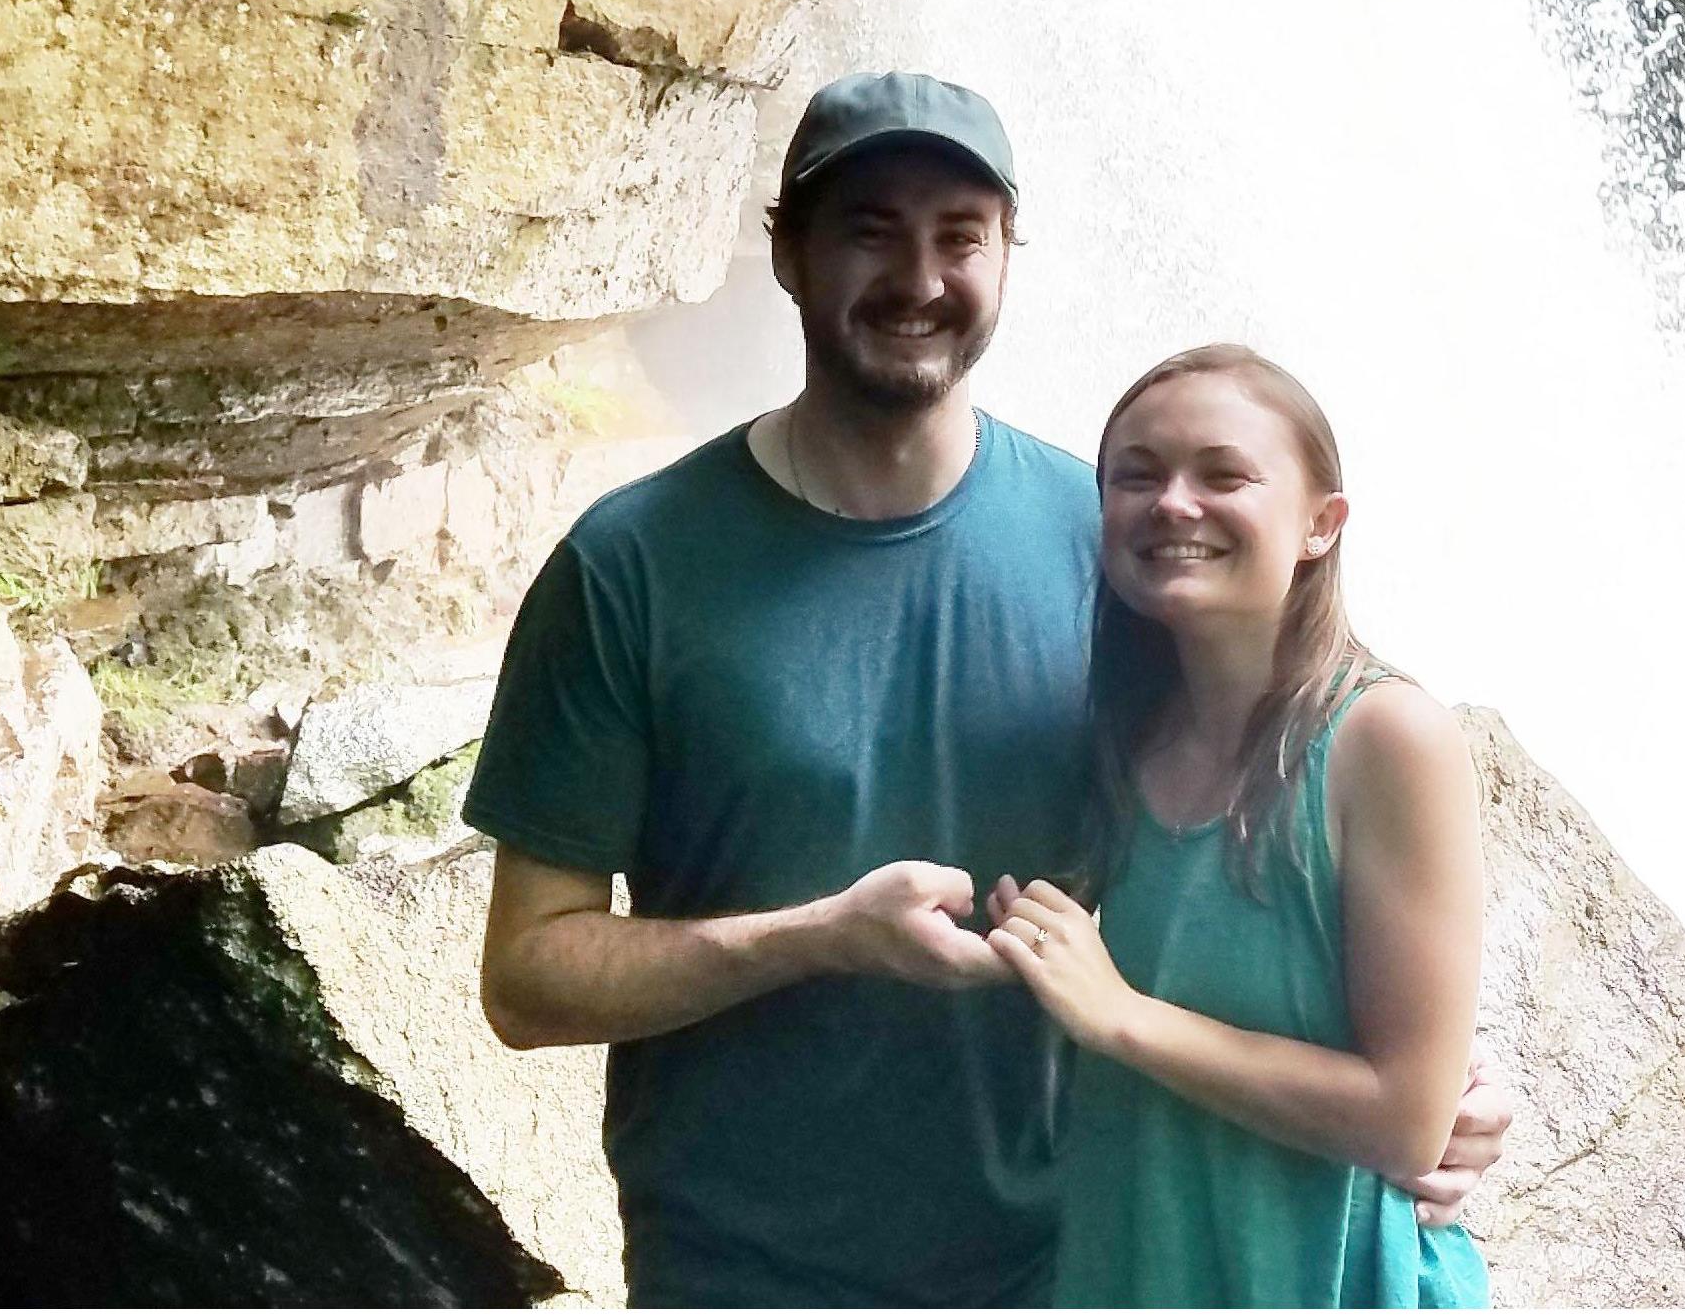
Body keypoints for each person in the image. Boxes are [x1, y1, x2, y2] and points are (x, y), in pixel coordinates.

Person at [465, 73, 1510, 1306]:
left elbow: (1258, 829)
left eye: (961, 237)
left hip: (1060, 1262)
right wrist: (813, 938)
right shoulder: (629, 566)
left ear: (1008, 258)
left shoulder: (1119, 545)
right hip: (742, 1264)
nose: (919, 279)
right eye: (869, 230)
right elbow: (526, 980)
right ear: (788, 254)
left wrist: (1431, 1081)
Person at [985, 345, 1489, 1307]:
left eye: (1225, 475)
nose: (1174, 502)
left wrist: (1125, 1017)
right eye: (1138, 475)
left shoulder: (1386, 739)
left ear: (1320, 524)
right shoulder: (1120, 738)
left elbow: (1410, 1120)